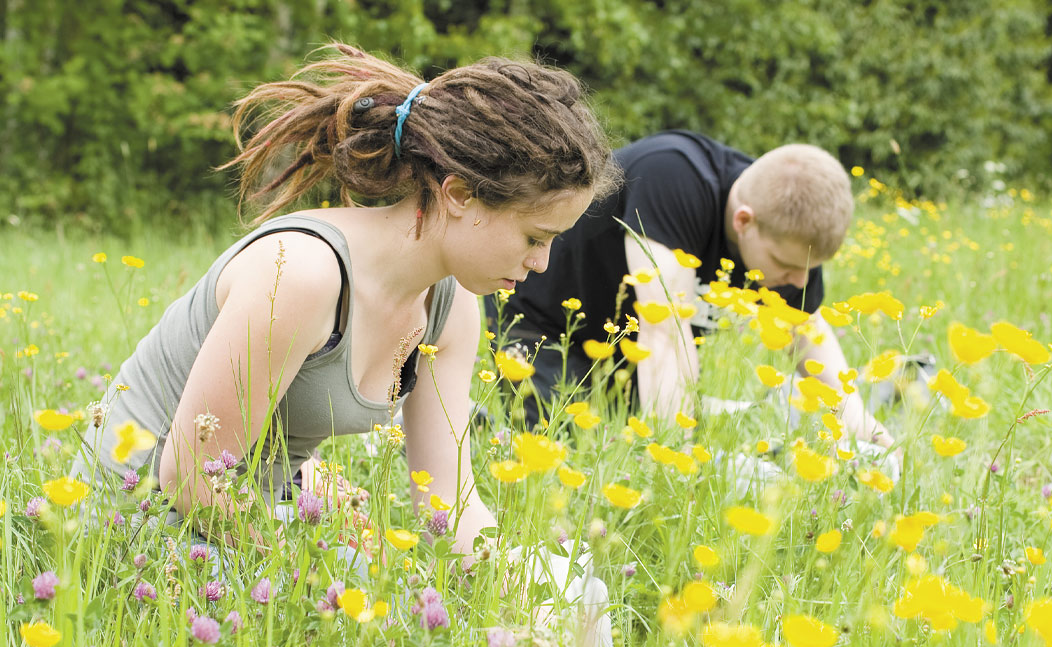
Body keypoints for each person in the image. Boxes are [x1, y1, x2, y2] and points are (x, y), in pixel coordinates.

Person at [69, 44, 618, 563]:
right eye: (533, 237)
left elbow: (448, 508)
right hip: (134, 524)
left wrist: (521, 584)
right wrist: (315, 571)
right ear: (457, 195)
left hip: (250, 520)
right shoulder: (303, 276)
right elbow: (189, 478)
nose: (542, 264)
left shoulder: (450, 310)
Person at [491, 130, 894, 450]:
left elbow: (804, 327)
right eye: (788, 267)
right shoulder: (675, 177)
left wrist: (854, 418)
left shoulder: (790, 237)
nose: (799, 283)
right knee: (565, 446)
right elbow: (664, 333)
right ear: (743, 221)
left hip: (626, 354)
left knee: (640, 435)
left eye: (809, 270)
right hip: (547, 327)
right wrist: (676, 463)